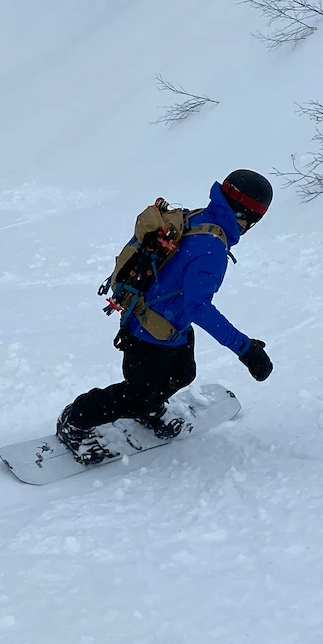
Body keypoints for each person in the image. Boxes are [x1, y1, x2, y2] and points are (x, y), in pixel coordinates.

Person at [57, 168, 276, 463]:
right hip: (149, 331)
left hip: (174, 326)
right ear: (247, 216)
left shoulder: (203, 218)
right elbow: (198, 307)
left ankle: (148, 410)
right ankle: (76, 419)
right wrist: (245, 349)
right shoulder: (211, 247)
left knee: (183, 374)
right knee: (137, 395)